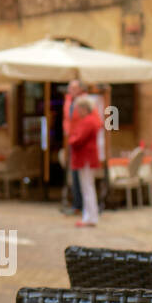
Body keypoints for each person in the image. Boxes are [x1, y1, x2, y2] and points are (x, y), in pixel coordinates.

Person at [68, 97, 100, 227]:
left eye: (79, 109)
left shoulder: (88, 121)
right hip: (86, 158)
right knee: (88, 187)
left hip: (85, 158)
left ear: (84, 108)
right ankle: (90, 216)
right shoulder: (90, 121)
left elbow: (77, 139)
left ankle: (90, 217)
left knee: (87, 188)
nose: (77, 112)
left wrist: (71, 139)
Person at [61, 79, 83, 213]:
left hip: (79, 143)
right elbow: (67, 120)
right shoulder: (68, 101)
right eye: (70, 88)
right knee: (74, 175)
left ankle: (80, 205)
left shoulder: (84, 102)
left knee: (82, 178)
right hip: (72, 142)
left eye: (74, 88)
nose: (72, 91)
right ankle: (76, 203)